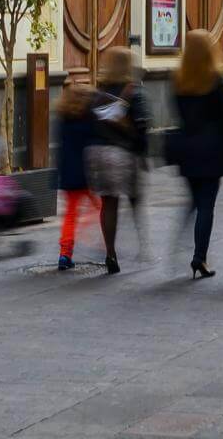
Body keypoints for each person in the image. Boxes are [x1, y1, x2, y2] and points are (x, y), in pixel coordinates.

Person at [171, 30, 223, 278]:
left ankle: (178, 243)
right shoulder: (218, 79)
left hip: (187, 149)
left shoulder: (179, 79)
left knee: (193, 202)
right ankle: (199, 257)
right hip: (212, 150)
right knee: (206, 206)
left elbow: (178, 114)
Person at [86, 46, 151, 275]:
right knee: (134, 198)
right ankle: (143, 243)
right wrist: (143, 155)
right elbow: (142, 126)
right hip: (123, 154)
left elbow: (89, 124)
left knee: (109, 205)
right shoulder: (133, 91)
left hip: (98, 154)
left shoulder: (98, 92)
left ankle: (110, 253)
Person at [54, 82, 101, 270]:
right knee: (101, 207)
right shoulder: (89, 119)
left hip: (68, 173)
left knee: (71, 214)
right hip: (87, 173)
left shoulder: (63, 118)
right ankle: (105, 243)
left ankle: (65, 253)